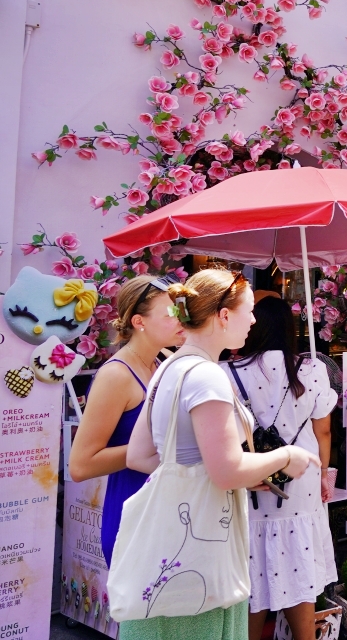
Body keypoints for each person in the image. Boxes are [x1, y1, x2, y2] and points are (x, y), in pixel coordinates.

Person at [124, 269, 320, 640]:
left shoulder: (169, 367)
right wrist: (285, 457)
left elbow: (139, 455)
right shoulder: (208, 376)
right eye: (249, 310)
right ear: (224, 315)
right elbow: (227, 472)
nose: (253, 320)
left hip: (172, 535)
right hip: (204, 539)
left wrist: (218, 472)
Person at [222, 296, 338, 640]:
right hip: (300, 480)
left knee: (252, 577)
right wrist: (322, 475)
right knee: (300, 576)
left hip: (249, 482)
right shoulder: (311, 369)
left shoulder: (227, 373)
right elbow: (324, 430)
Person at [69, 276, 186, 567]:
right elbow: (81, 465)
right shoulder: (116, 375)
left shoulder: (162, 363)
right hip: (133, 515)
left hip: (169, 511)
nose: (182, 318)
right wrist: (160, 443)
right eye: (172, 312)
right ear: (138, 321)